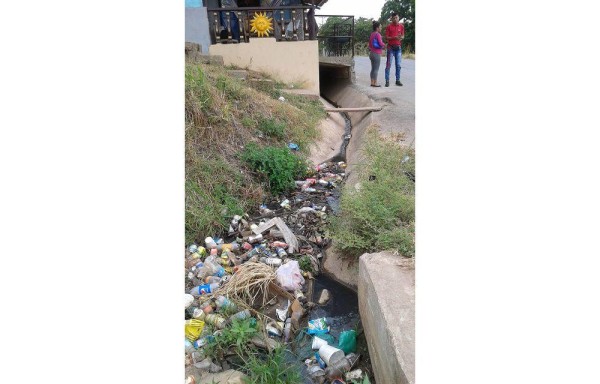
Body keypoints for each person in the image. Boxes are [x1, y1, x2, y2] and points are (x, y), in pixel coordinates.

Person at [384, 12, 405, 87]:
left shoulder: (401, 26)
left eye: (396, 17)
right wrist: (394, 37)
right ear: (392, 19)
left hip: (398, 48)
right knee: (388, 64)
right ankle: (387, 80)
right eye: (394, 18)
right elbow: (386, 37)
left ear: (398, 18)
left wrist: (401, 37)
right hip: (390, 48)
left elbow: (403, 36)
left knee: (398, 65)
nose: (395, 19)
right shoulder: (389, 27)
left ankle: (397, 80)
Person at [368, 21, 385, 87]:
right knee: (376, 69)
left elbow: (369, 44)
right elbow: (381, 44)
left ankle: (372, 82)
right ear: (377, 28)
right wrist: (384, 45)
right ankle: (375, 83)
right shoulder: (378, 34)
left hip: (371, 53)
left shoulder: (372, 34)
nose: (381, 28)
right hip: (376, 53)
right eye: (380, 27)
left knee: (373, 68)